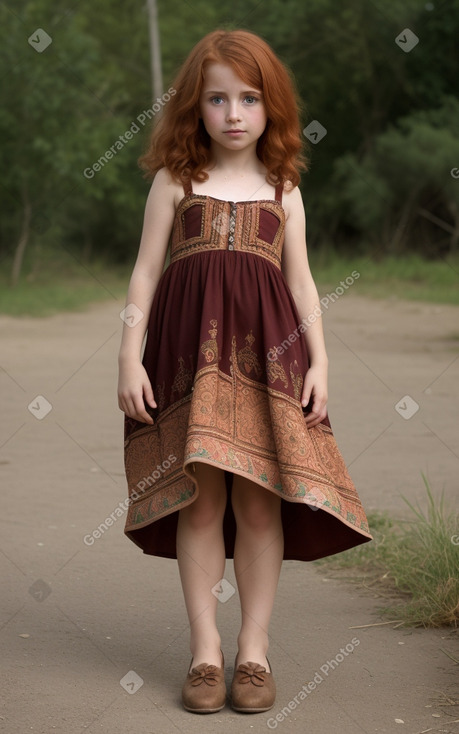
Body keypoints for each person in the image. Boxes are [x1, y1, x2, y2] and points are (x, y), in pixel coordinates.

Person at [117, 28, 372, 715]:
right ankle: (204, 654)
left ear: (271, 106)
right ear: (193, 109)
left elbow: (303, 284)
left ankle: (252, 652)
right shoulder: (177, 181)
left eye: (249, 98)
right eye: (216, 99)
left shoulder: (282, 189)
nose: (233, 114)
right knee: (199, 501)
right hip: (182, 361)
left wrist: (321, 361)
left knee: (259, 502)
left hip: (269, 361)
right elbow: (143, 275)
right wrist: (125, 356)